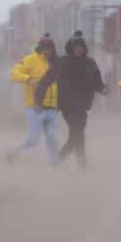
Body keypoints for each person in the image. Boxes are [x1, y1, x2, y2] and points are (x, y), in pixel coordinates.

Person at [36, 31, 108, 169]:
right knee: (77, 133)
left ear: (84, 49)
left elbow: (98, 83)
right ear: (71, 48)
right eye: (76, 47)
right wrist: (38, 102)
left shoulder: (90, 63)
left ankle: (77, 165)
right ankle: (65, 162)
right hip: (67, 106)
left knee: (78, 135)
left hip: (83, 107)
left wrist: (104, 89)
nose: (78, 50)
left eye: (81, 47)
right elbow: (44, 82)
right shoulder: (62, 62)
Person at [6, 35, 61, 163]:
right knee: (32, 140)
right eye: (45, 49)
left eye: (50, 49)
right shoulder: (30, 60)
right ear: (40, 48)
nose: (48, 51)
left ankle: (55, 163)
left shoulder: (57, 63)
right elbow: (14, 73)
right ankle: (13, 153)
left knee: (52, 137)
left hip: (53, 107)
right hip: (35, 107)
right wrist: (28, 79)